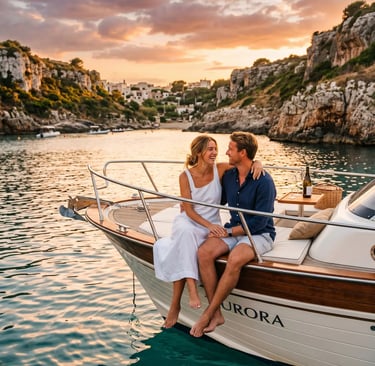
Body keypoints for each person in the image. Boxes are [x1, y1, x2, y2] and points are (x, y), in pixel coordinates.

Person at [153, 134, 264, 328]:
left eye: (216, 149)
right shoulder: (184, 176)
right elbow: (187, 209)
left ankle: (176, 305)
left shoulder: (221, 169)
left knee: (185, 246)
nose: (215, 153)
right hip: (190, 221)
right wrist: (209, 226)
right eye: (210, 149)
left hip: (212, 222)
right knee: (186, 235)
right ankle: (190, 290)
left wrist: (259, 162)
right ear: (198, 152)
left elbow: (245, 163)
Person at [190, 131, 276, 338]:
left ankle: (207, 314)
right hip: (234, 229)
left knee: (235, 258)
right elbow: (206, 182)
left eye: (230, 149)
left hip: (260, 234)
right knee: (203, 252)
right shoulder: (229, 175)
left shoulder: (264, 181)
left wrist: (228, 232)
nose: (225, 152)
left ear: (243, 152)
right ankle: (217, 313)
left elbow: (259, 222)